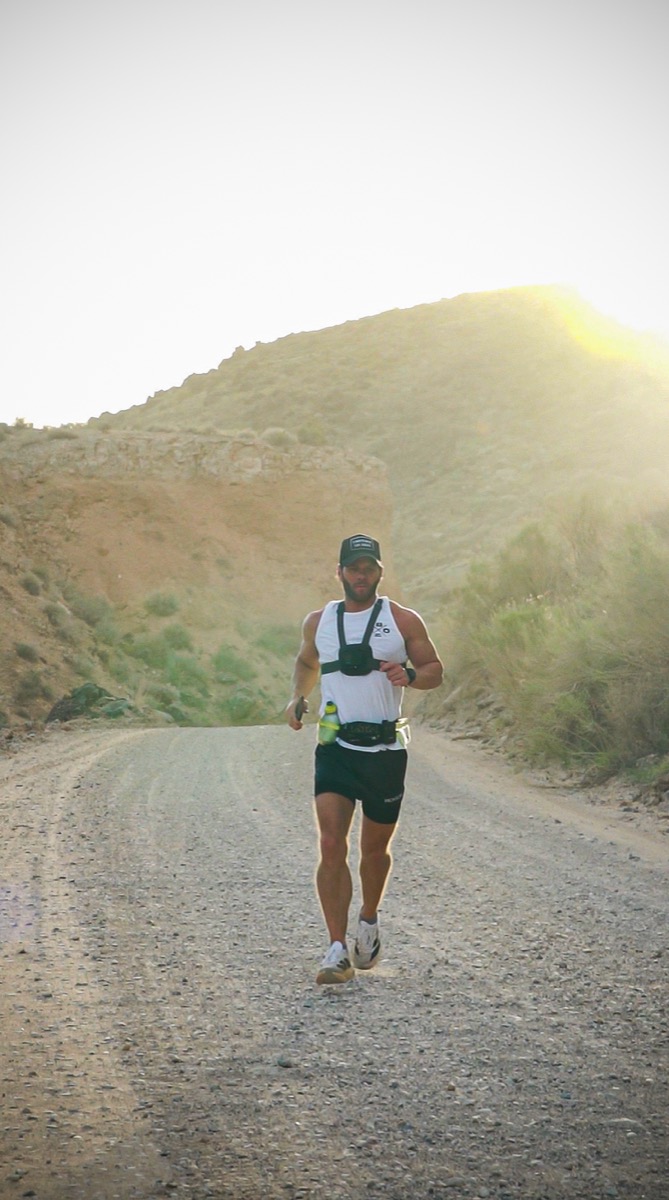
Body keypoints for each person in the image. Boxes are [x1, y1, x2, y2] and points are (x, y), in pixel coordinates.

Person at [287, 533, 443, 985]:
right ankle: (336, 949)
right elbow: (305, 661)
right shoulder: (319, 620)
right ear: (339, 573)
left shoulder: (402, 619)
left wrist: (410, 675)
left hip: (385, 752)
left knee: (374, 852)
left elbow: (434, 670)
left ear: (379, 572)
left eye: (368, 568)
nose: (361, 575)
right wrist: (297, 697)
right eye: (352, 568)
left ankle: (368, 920)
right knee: (332, 843)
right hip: (335, 748)